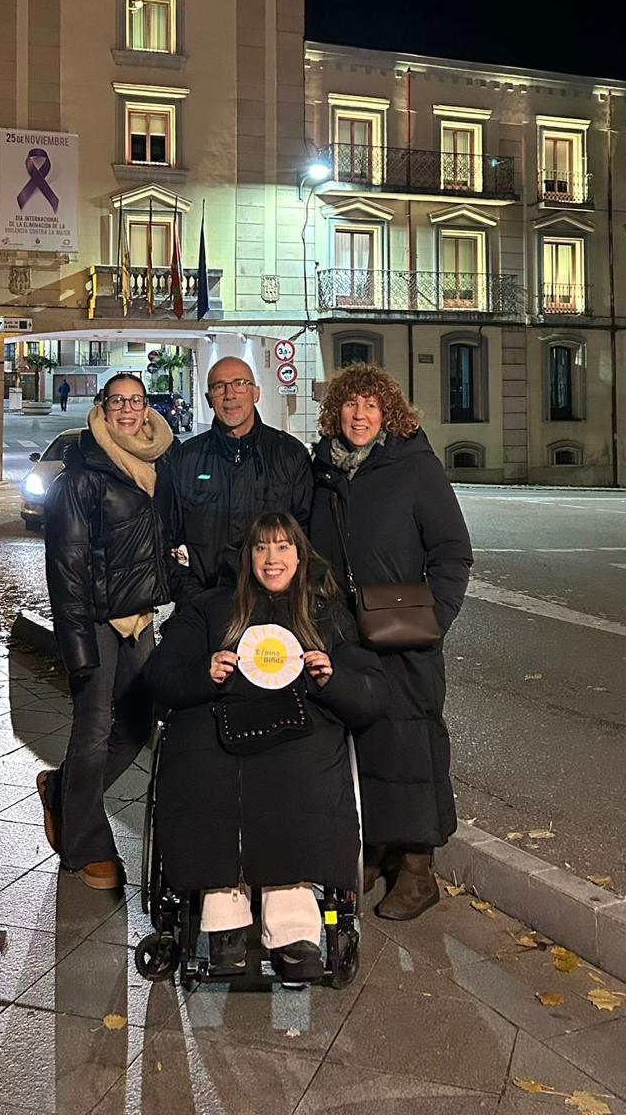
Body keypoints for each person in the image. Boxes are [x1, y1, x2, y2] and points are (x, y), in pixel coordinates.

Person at [146, 512, 387, 982]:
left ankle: (293, 924)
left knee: (298, 773)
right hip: (219, 715)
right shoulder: (209, 607)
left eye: (282, 547)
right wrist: (204, 673)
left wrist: (332, 679)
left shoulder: (326, 613)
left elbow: (371, 694)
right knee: (206, 770)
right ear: (247, 557)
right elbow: (160, 674)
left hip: (301, 723)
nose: (272, 559)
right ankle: (225, 921)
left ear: (300, 555)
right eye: (261, 548)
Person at [310, 363, 472, 922]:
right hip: (343, 632)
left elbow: (452, 552)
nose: (360, 415)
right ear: (336, 412)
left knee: (411, 747)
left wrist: (432, 618)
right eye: (350, 404)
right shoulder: (324, 470)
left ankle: (419, 871)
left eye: (371, 406)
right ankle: (375, 852)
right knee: (364, 745)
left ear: (388, 413)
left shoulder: (414, 467)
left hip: (405, 631)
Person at [38, 373, 186, 891]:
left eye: (136, 400)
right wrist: (78, 649)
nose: (127, 409)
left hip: (139, 618)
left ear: (147, 408)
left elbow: (158, 544)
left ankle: (62, 791)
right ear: (102, 407)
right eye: (117, 400)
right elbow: (66, 571)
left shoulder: (159, 464)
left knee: (139, 724)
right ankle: (84, 847)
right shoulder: (81, 477)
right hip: (96, 621)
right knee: (95, 729)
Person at [169, 355, 313, 590]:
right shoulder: (185, 458)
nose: (230, 395)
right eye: (219, 387)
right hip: (205, 600)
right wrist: (193, 597)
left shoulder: (289, 454)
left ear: (256, 393)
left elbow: (306, 535)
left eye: (239, 384)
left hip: (275, 600)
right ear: (208, 399)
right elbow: (169, 538)